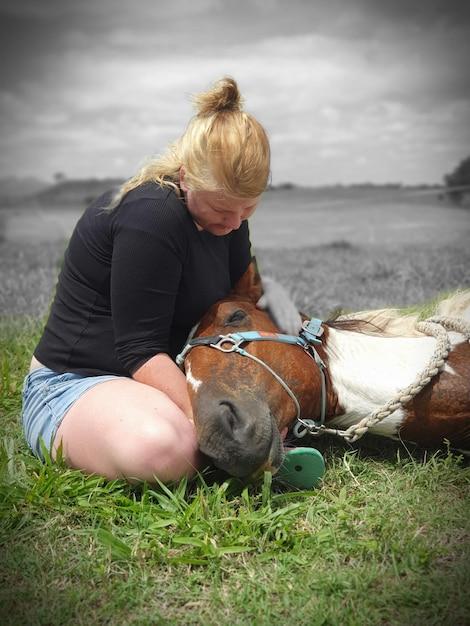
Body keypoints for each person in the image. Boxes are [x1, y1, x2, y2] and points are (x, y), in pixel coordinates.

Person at [21, 77, 301, 483]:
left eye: (249, 208)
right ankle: (243, 458)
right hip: (76, 384)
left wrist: (272, 298)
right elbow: (139, 351)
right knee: (164, 449)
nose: (235, 223)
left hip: (162, 378)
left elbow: (238, 299)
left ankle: (248, 455)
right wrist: (213, 425)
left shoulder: (229, 218)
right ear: (187, 176)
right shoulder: (151, 217)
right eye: (223, 208)